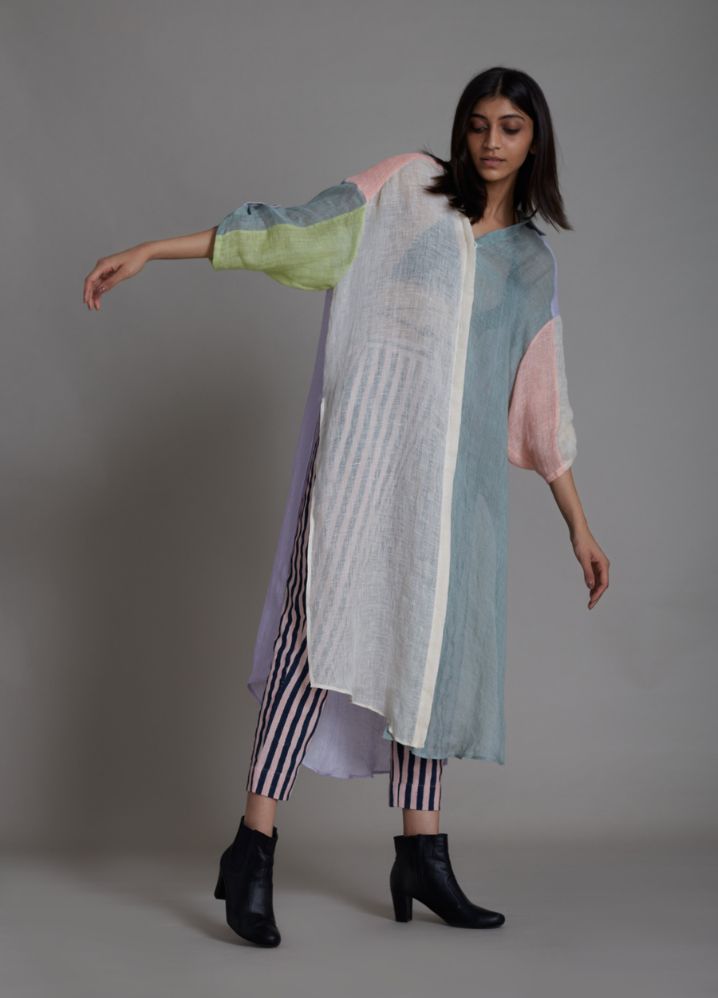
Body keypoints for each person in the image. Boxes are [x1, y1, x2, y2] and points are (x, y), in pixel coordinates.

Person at [83, 66, 609, 948]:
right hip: (367, 476)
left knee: (429, 663)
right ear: (461, 129)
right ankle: (251, 849)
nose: (490, 141)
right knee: (312, 643)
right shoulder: (407, 190)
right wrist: (157, 249)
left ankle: (422, 856)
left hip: (456, 506)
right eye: (479, 123)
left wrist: (579, 527)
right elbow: (298, 231)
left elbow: (539, 405)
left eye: (511, 127)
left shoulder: (530, 264)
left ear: (534, 142)